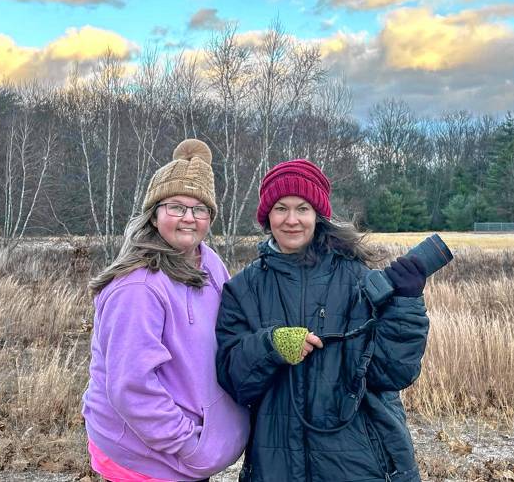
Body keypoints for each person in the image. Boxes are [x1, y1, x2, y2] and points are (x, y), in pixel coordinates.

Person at [215, 159, 430, 482]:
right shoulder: (243, 289)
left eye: (302, 208)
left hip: (360, 464)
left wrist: (407, 305)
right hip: (276, 466)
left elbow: (393, 373)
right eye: (280, 208)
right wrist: (271, 346)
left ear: (318, 214)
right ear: (266, 216)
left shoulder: (359, 279)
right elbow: (233, 380)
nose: (291, 220)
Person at [82, 139, 249, 482]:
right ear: (154, 215)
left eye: (199, 209)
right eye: (176, 207)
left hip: (182, 454)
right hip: (144, 457)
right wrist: (187, 443)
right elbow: (132, 387)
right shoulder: (138, 288)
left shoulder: (209, 262)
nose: (189, 218)